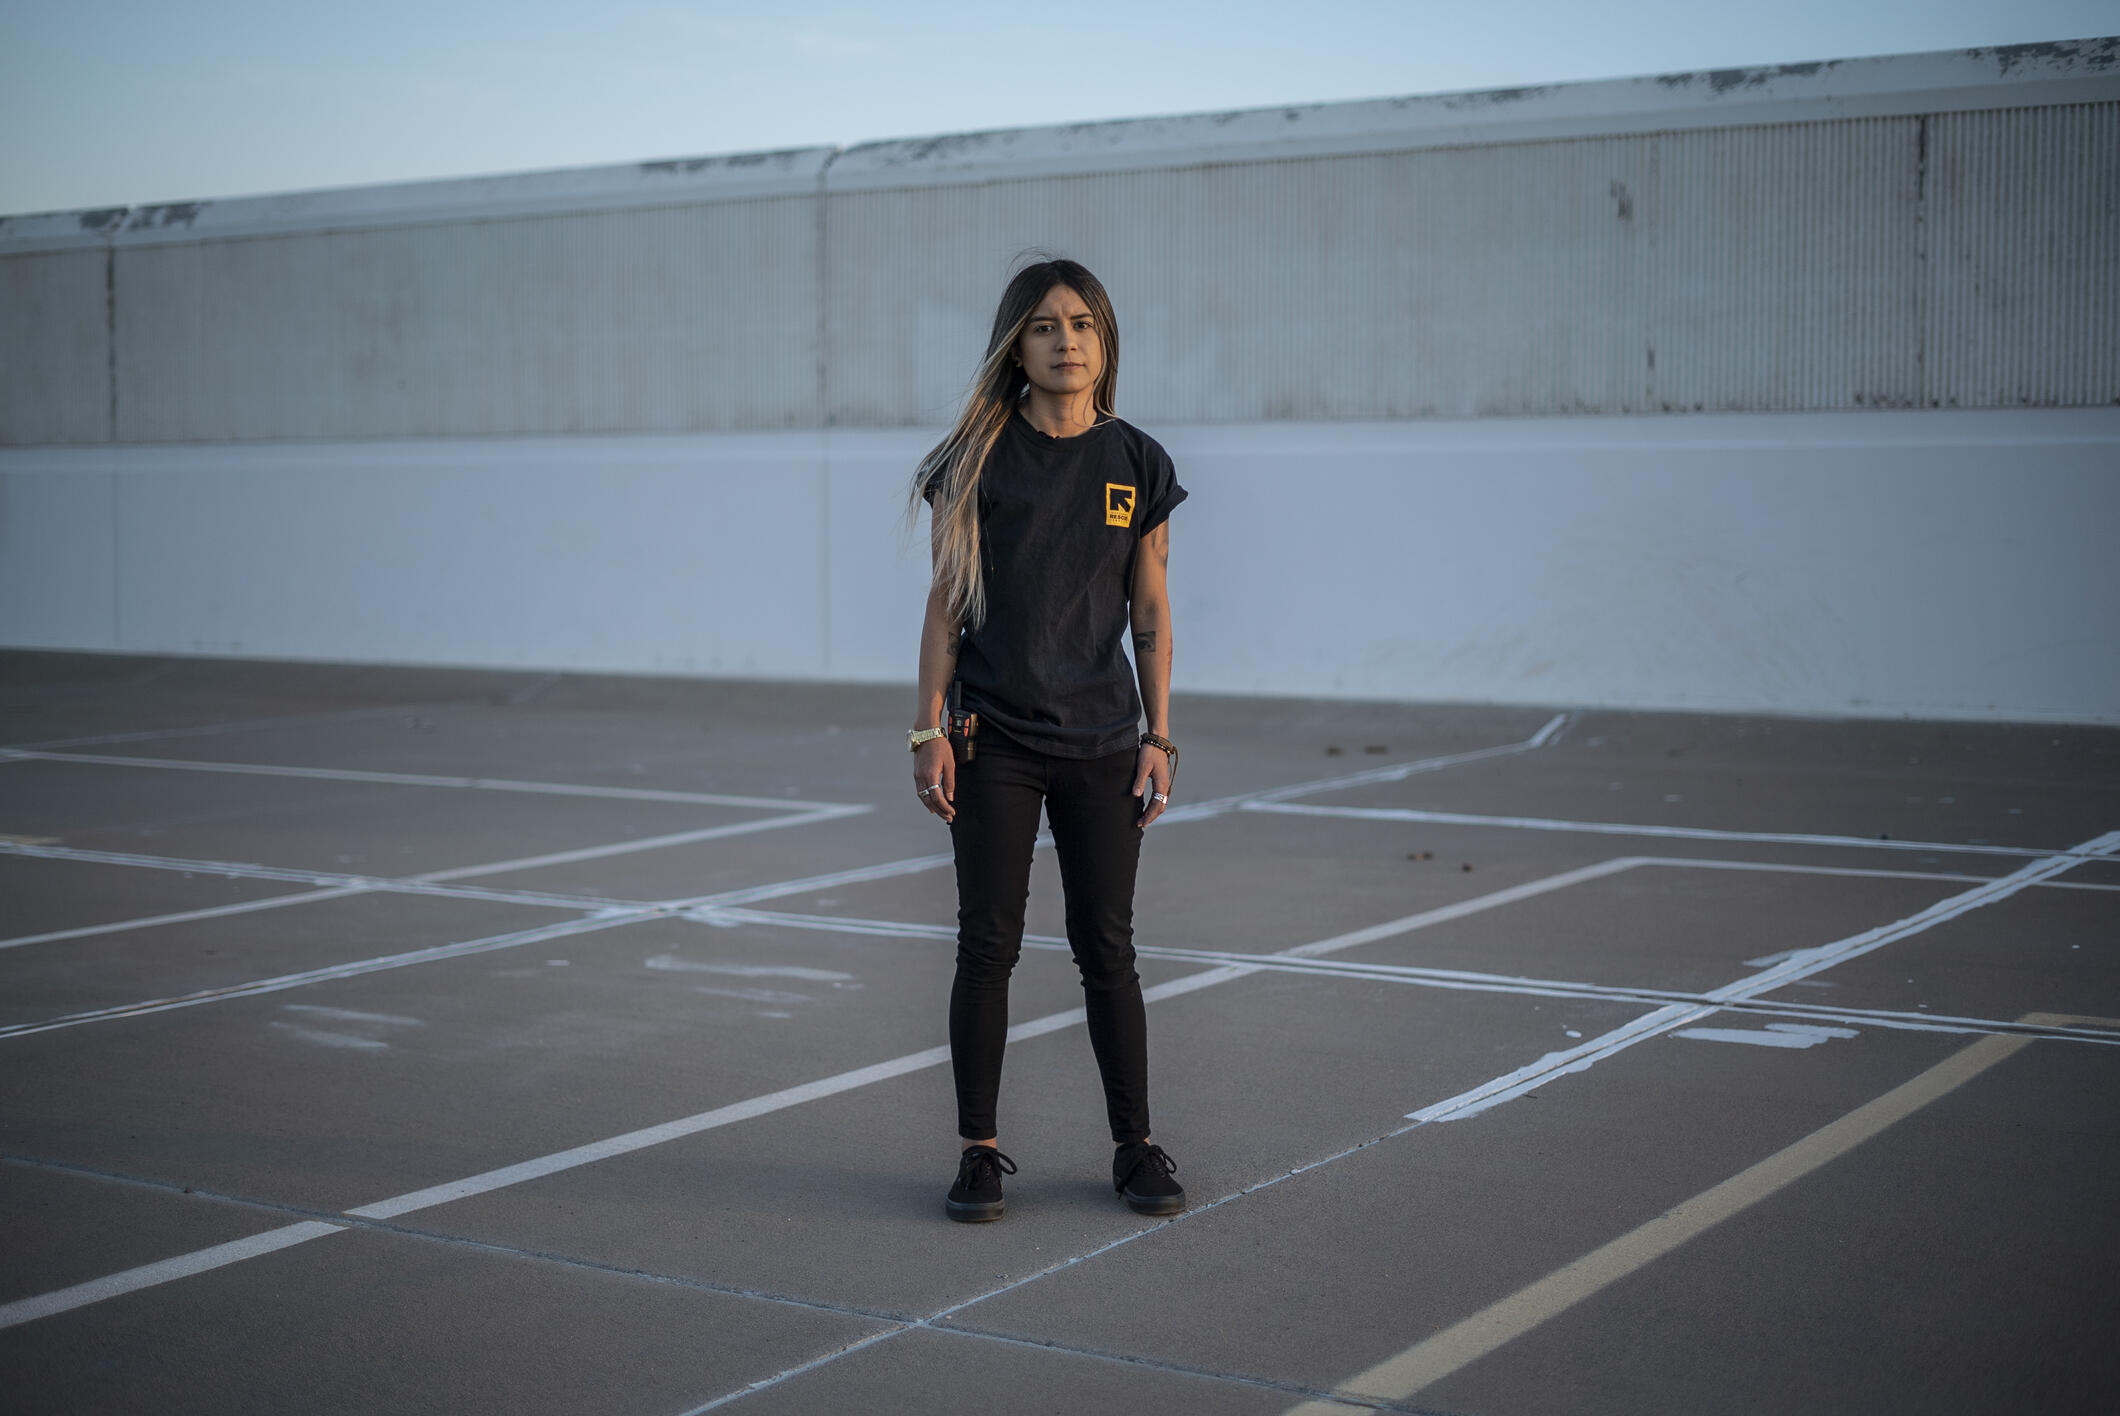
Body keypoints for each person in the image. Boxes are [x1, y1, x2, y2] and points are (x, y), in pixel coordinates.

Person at [908, 257, 1187, 1223]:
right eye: (1043, 327)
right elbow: (945, 610)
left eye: (1081, 324)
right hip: (994, 740)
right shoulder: (976, 461)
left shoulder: (1138, 463)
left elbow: (1149, 613)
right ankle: (979, 1153)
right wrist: (927, 729)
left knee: (1107, 947)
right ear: (1014, 347)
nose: (1064, 341)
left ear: (1103, 341)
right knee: (987, 947)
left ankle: (1135, 1146)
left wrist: (1161, 738)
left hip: (1106, 742)